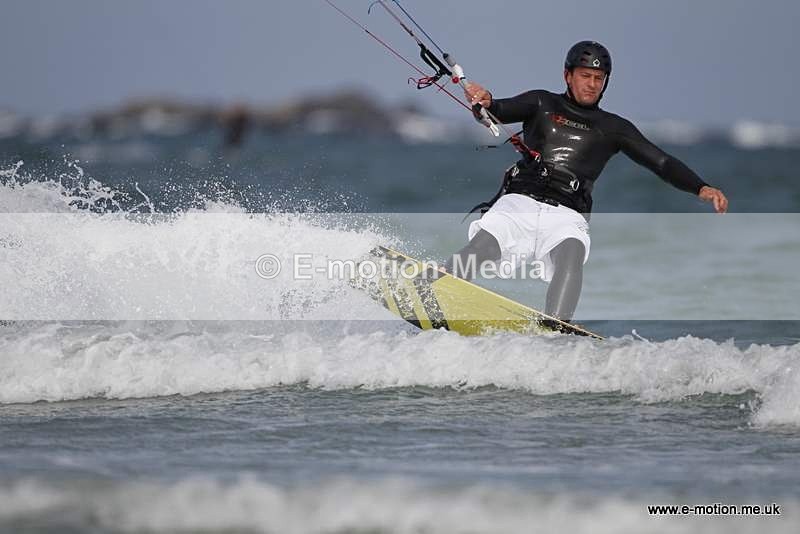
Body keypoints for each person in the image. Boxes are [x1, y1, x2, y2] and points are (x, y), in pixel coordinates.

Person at [445, 41, 729, 329]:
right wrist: (486, 100)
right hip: (521, 200)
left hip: (567, 213)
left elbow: (661, 162)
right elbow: (497, 110)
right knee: (487, 241)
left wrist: (700, 187)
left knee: (571, 253)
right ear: (568, 75)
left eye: (598, 78)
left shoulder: (614, 127)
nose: (592, 84)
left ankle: (554, 329)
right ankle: (440, 288)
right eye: (585, 76)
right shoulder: (542, 103)